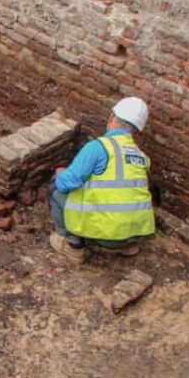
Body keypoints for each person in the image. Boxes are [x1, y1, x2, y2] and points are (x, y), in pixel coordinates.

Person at [49, 97, 155, 264]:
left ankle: (73, 247)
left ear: (111, 117)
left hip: (107, 236)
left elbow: (68, 182)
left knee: (55, 189)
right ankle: (127, 245)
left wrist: (60, 173)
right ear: (137, 131)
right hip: (136, 232)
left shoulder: (98, 147)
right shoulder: (142, 157)